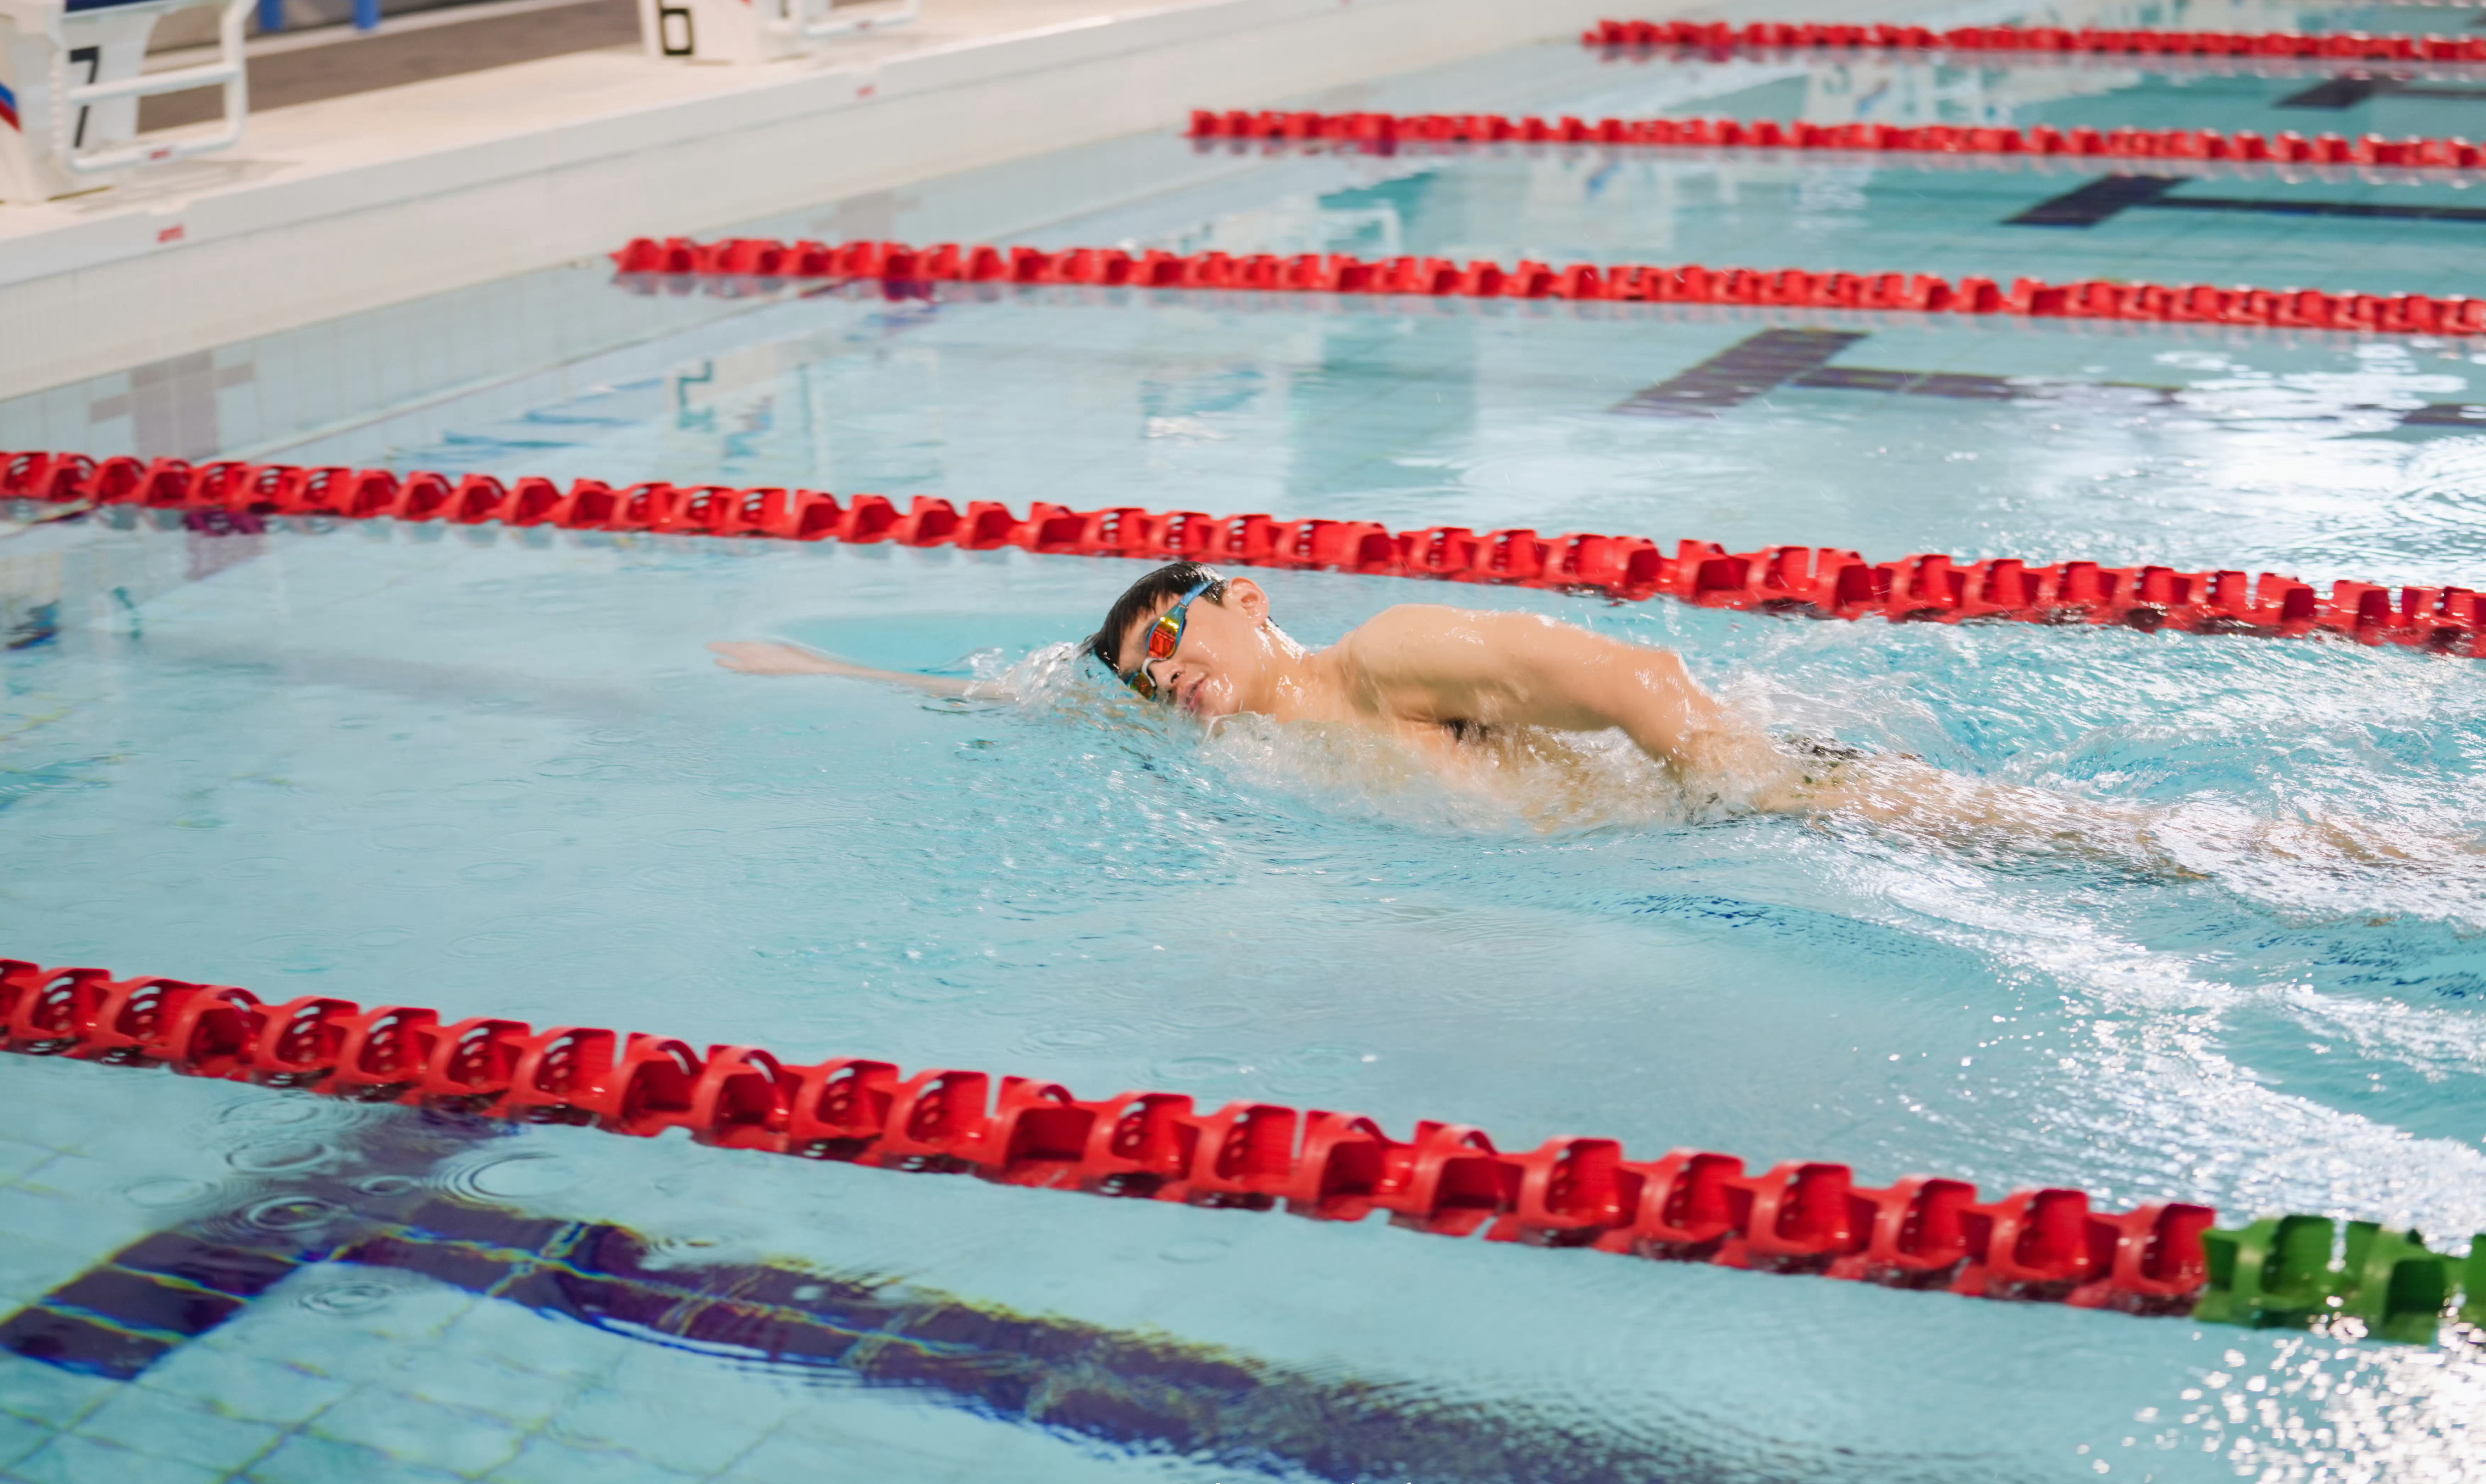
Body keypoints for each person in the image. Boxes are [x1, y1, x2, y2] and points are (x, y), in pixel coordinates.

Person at [708, 561, 2415, 868]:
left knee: (2162, 852)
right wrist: (836, 675)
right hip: (1717, 836)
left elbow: (1633, 681)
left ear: (1245, 597)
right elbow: (1036, 702)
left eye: (1170, 628)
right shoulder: (1261, 729)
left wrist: (1746, 784)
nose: (1164, 671)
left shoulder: (1376, 656)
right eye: (1146, 670)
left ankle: (2406, 851)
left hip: (1777, 805)